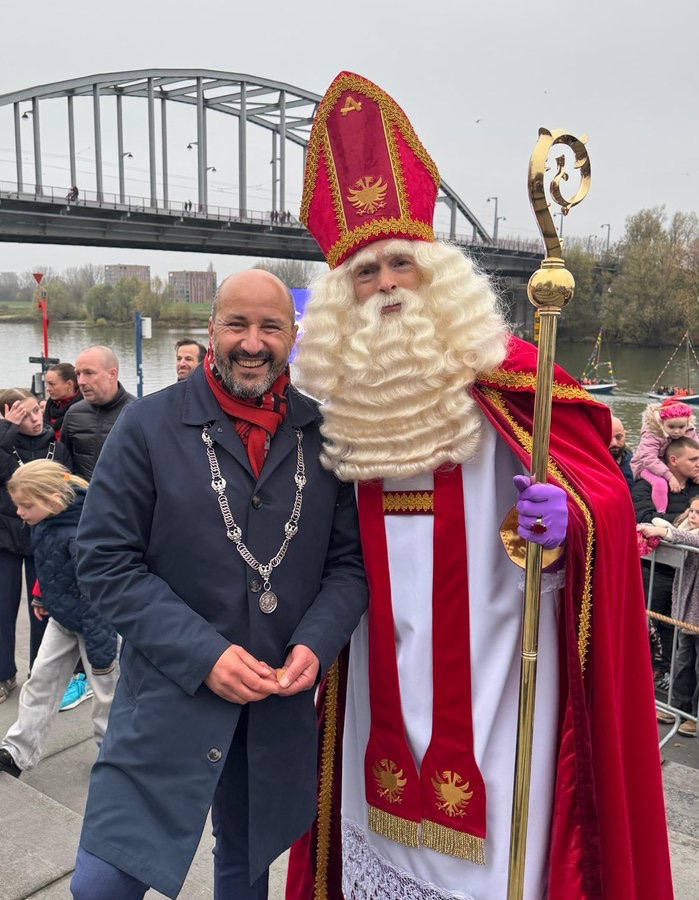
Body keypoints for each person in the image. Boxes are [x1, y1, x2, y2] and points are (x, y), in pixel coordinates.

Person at [286, 71, 672, 899]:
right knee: (368, 851)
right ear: (343, 300)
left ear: (436, 274)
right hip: (371, 689)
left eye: (400, 264)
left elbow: (601, 497)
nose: (385, 283)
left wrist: (570, 518)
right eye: (363, 273)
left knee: (498, 859)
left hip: (504, 675)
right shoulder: (338, 411)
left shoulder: (517, 384)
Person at [69, 268, 368, 899]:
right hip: (169, 698)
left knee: (246, 870)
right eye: (237, 324)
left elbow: (348, 565)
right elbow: (103, 559)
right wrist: (205, 655)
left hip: (273, 701)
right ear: (211, 330)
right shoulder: (148, 426)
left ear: (293, 335)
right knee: (101, 885)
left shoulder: (327, 436)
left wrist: (315, 643)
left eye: (271, 327)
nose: (253, 343)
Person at [0, 460, 119, 778]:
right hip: (64, 618)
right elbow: (50, 564)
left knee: (108, 694)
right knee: (41, 681)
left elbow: (97, 597)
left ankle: (112, 757)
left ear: (53, 499)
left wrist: (101, 654)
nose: (20, 513)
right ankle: (17, 750)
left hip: (99, 627)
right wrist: (42, 594)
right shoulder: (47, 520)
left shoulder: (82, 533)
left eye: (26, 505)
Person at [0, 389, 72, 704]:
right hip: (5, 537)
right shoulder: (4, 445)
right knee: (3, 608)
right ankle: (3, 675)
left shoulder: (56, 447)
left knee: (42, 608)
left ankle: (39, 674)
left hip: (43, 538)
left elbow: (65, 487)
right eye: (23, 415)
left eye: (35, 411)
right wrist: (6, 432)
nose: (33, 420)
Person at [638, 497, 699, 738]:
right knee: (683, 661)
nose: (693, 515)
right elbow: (683, 534)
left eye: (698, 512)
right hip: (686, 612)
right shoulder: (684, 529)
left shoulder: (688, 535)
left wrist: (663, 531)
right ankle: (678, 708)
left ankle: (694, 716)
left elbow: (691, 539)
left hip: (694, 611)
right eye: (692, 510)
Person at [59, 346, 135, 481]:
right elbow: (64, 463)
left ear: (112, 374)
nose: (81, 381)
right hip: (83, 499)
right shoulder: (74, 414)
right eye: (78, 374)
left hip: (123, 500)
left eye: (89, 373)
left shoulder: (137, 413)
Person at [630, 397, 699, 512]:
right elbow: (648, 457)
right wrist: (670, 476)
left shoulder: (689, 430)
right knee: (660, 483)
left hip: (667, 464)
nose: (677, 431)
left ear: (687, 423)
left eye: (681, 427)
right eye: (671, 427)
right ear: (662, 423)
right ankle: (660, 512)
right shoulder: (652, 433)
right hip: (645, 466)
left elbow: (695, 449)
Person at [43, 362, 81, 441]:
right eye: (47, 384)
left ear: (69, 384)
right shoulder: (50, 406)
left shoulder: (83, 408)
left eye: (52, 384)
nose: (48, 388)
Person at [609, 414, 633, 488]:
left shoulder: (635, 464)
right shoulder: (591, 466)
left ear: (625, 435)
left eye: (618, 437)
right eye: (608, 438)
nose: (614, 443)